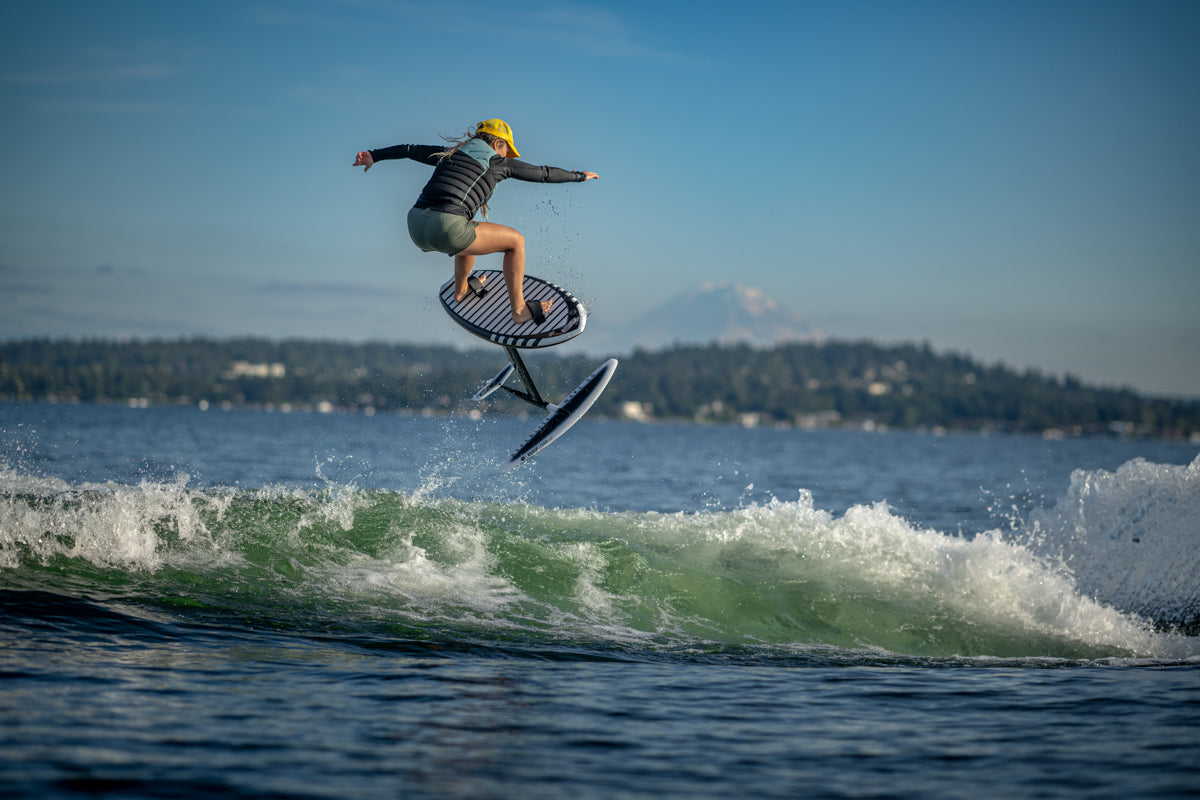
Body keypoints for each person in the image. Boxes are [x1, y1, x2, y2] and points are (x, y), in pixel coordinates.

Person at [354, 119, 598, 325]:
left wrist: (373, 156)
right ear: (496, 143)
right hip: (446, 227)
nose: (505, 156)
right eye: (506, 150)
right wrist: (578, 177)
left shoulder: (448, 154)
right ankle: (520, 310)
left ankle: (461, 290)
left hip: (416, 224)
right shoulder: (497, 162)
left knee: (470, 228)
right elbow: (543, 173)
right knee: (516, 242)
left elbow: (408, 149)